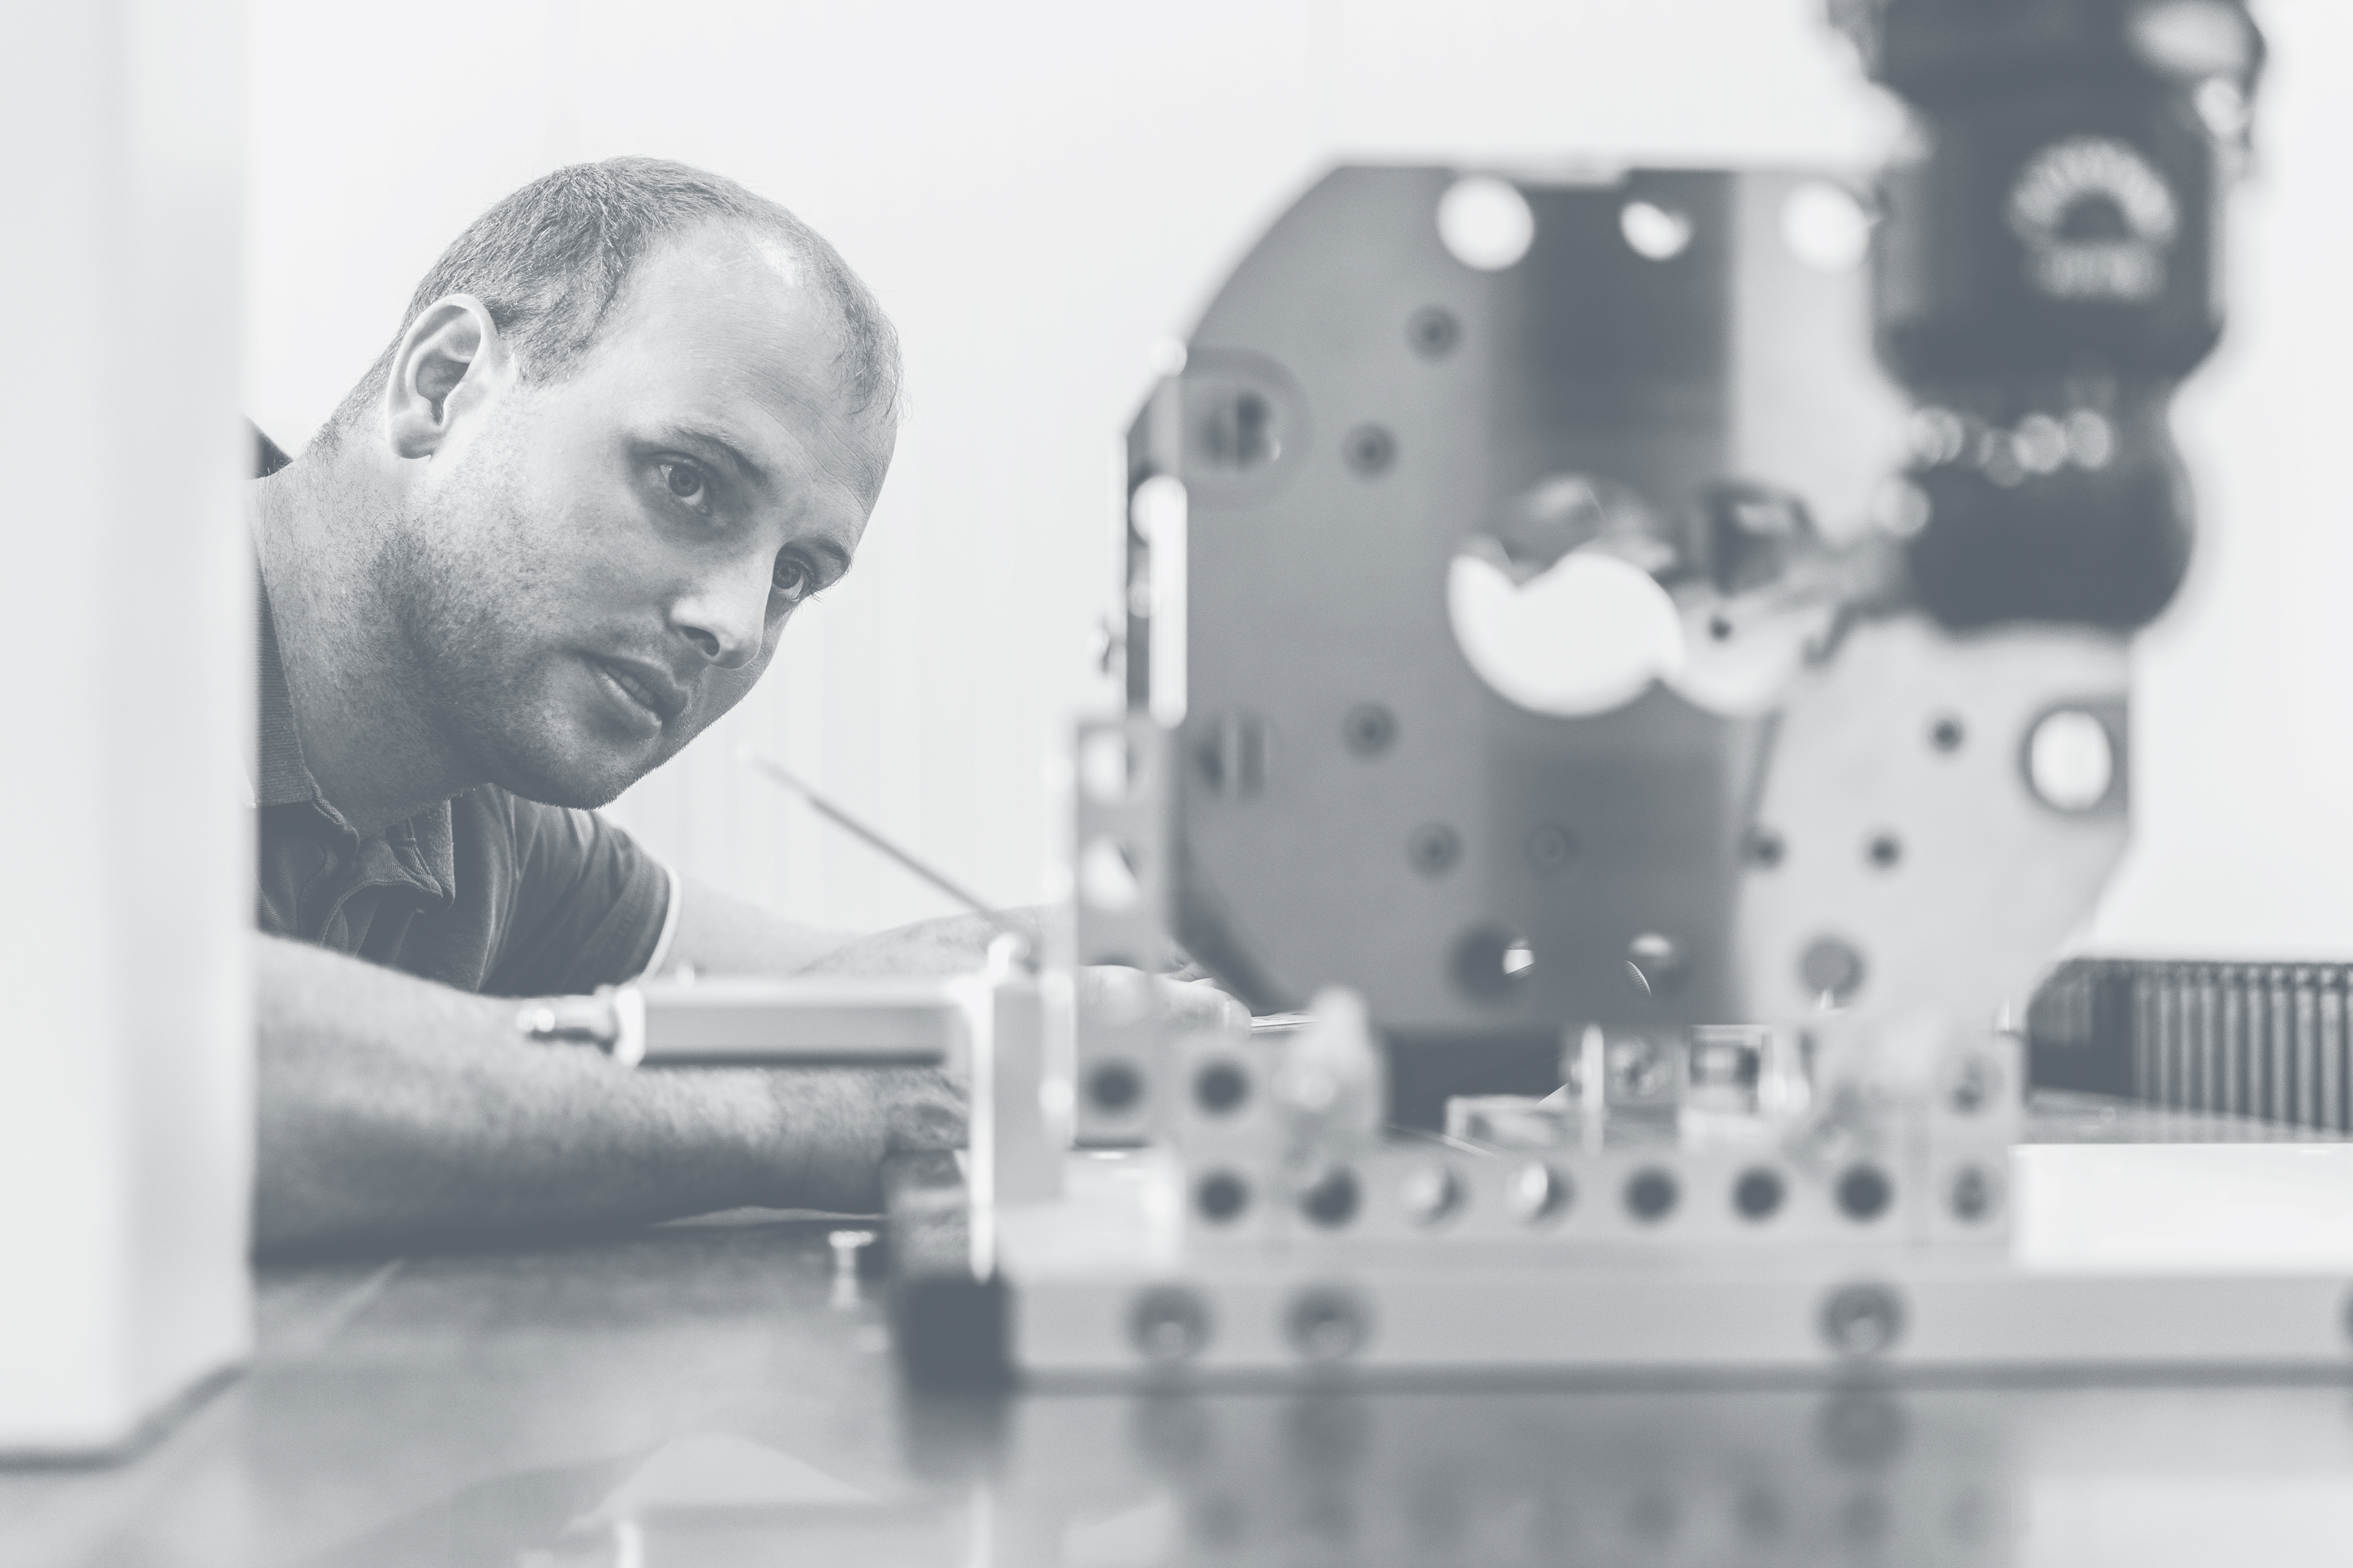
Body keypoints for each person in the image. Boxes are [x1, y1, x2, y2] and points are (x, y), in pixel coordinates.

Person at [250, 157, 1215, 1256]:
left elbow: (846, 1002)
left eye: (797, 573)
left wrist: (1229, 968)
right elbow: (117, 1058)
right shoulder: (65, 584)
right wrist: (778, 1103)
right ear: (443, 385)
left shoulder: (481, 832)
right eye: (688, 483)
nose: (738, 624)